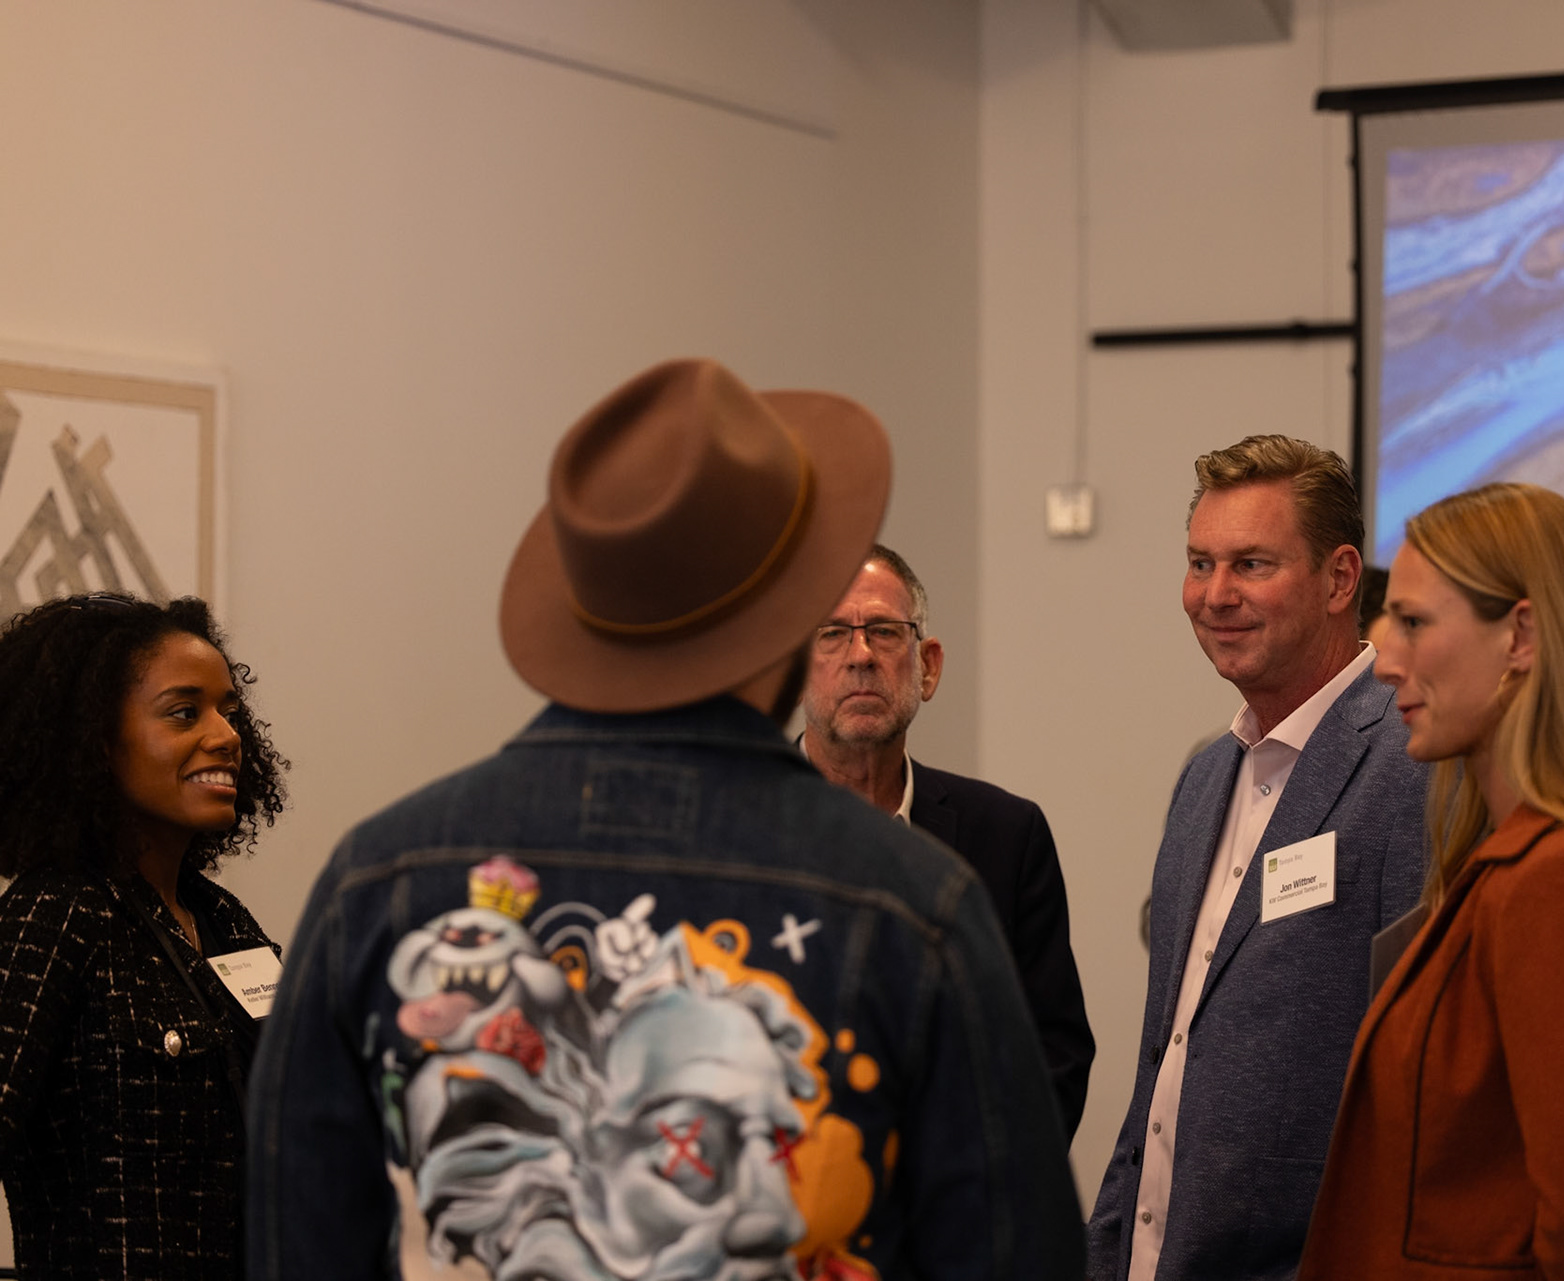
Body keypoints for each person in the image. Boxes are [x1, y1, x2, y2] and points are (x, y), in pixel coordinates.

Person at [246, 358, 1085, 1281]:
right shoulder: (914, 902)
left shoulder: (375, 880)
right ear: (790, 620)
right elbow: (1016, 1252)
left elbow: (297, 1244)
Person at [1300, 482, 1564, 1280]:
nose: (1385, 660)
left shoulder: (1563, 878)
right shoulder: (1510, 862)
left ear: (1521, 636)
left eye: (1414, 622)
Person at [1087, 434, 1428, 1280]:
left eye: (1251, 564)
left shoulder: (1413, 767)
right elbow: (1166, 1060)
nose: (1215, 595)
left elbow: (1418, 1084)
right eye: (1200, 564)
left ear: (1340, 579)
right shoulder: (1206, 776)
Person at [0, 593, 288, 1281]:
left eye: (228, 710)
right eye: (185, 712)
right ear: (95, 742)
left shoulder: (224, 919)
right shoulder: (55, 912)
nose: (226, 735)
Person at [799, 543, 1096, 1137]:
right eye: (832, 634)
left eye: (884, 632)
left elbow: (1052, 1062)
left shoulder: (1007, 837)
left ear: (928, 666)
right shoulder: (734, 836)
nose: (860, 656)